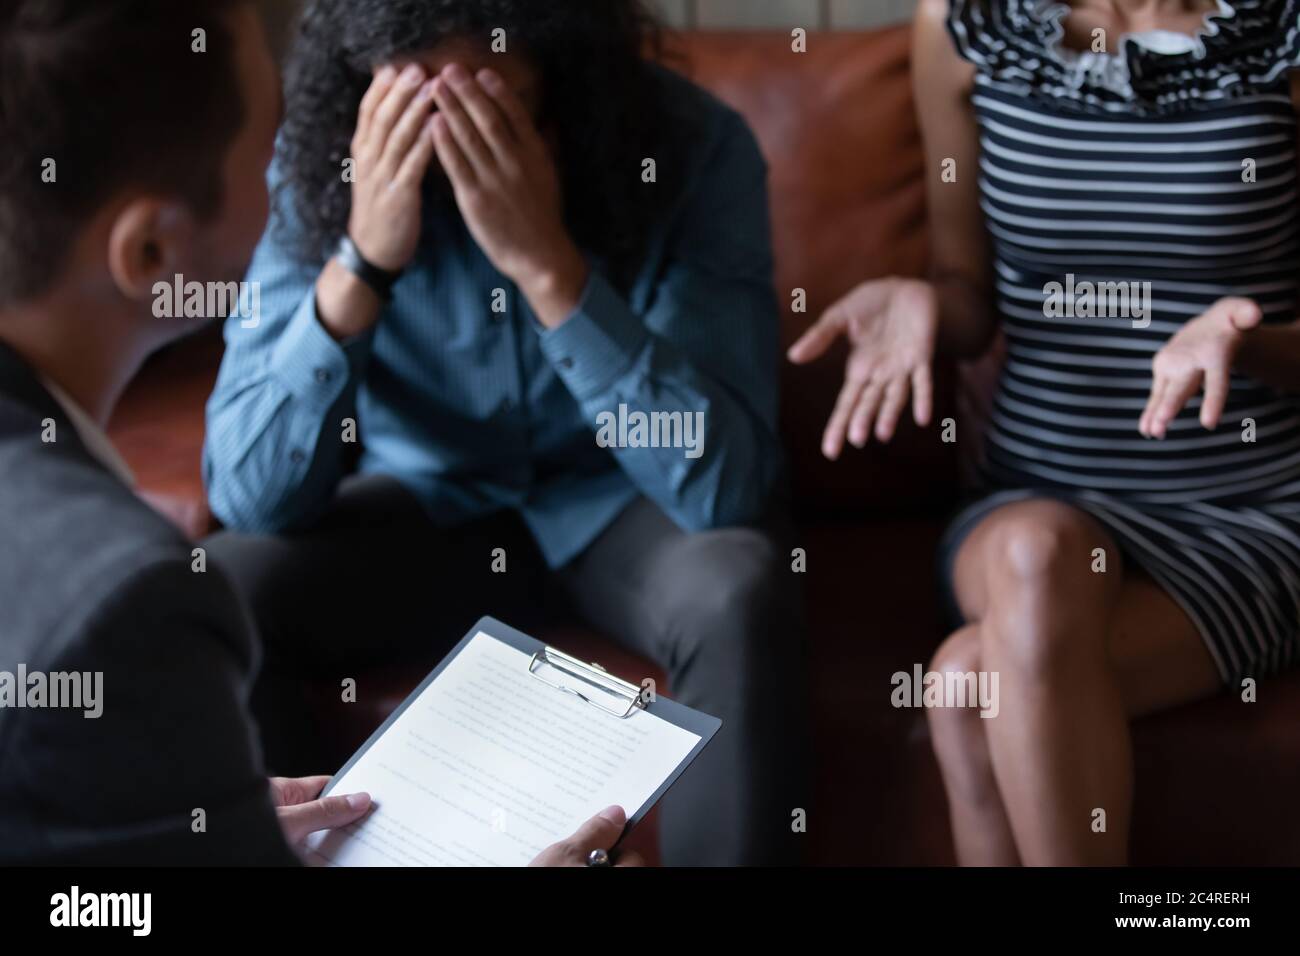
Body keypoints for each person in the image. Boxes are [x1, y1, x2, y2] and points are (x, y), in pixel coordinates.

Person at [0, 0, 633, 867]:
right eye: (272, 129)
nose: (319, 149)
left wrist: (218, 825)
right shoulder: (127, 610)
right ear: (151, 252)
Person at [203, 0, 808, 866]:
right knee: (228, 581)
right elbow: (246, 488)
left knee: (739, 587)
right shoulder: (322, 164)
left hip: (623, 507)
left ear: (558, 70)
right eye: (418, 104)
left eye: (487, 99)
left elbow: (725, 485)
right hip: (430, 509)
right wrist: (363, 264)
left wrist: (546, 267)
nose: (452, 136)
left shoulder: (693, 148)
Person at [791, 0, 1300, 865]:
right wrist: (923, 301)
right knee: (1036, 555)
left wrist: (1243, 339)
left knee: (963, 686)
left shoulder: (1282, 31)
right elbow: (967, 292)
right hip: (1033, 500)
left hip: (1251, 510)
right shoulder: (962, 27)